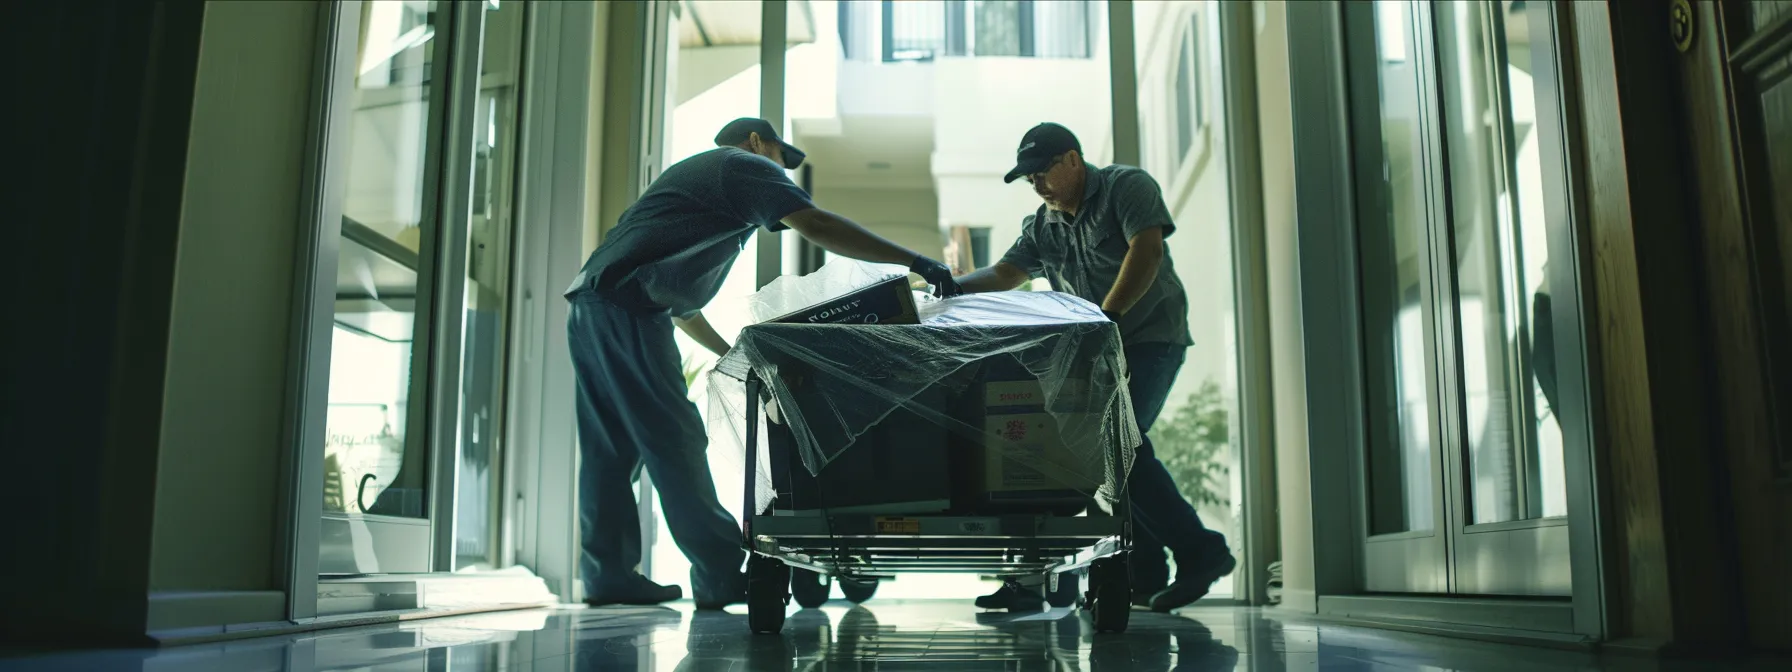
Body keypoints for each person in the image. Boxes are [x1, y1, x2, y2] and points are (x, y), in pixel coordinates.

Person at [565, 118, 962, 608]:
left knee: (611, 450)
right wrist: (917, 263)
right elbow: (815, 223)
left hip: (593, 304)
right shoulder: (741, 166)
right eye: (779, 158)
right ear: (757, 144)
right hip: (627, 310)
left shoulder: (702, 187)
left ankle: (607, 575)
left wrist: (733, 355)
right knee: (675, 438)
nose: (780, 174)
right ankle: (719, 574)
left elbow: (685, 308)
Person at [954, 122, 1233, 612]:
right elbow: (1006, 273)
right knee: (1103, 454)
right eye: (1029, 179)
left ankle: (1202, 552)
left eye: (1043, 173)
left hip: (1149, 337)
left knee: (1119, 444)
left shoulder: (1127, 186)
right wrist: (948, 288)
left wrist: (1110, 317)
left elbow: (1147, 250)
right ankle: (1145, 570)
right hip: (1097, 349)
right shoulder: (1042, 225)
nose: (1038, 185)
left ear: (1073, 160)